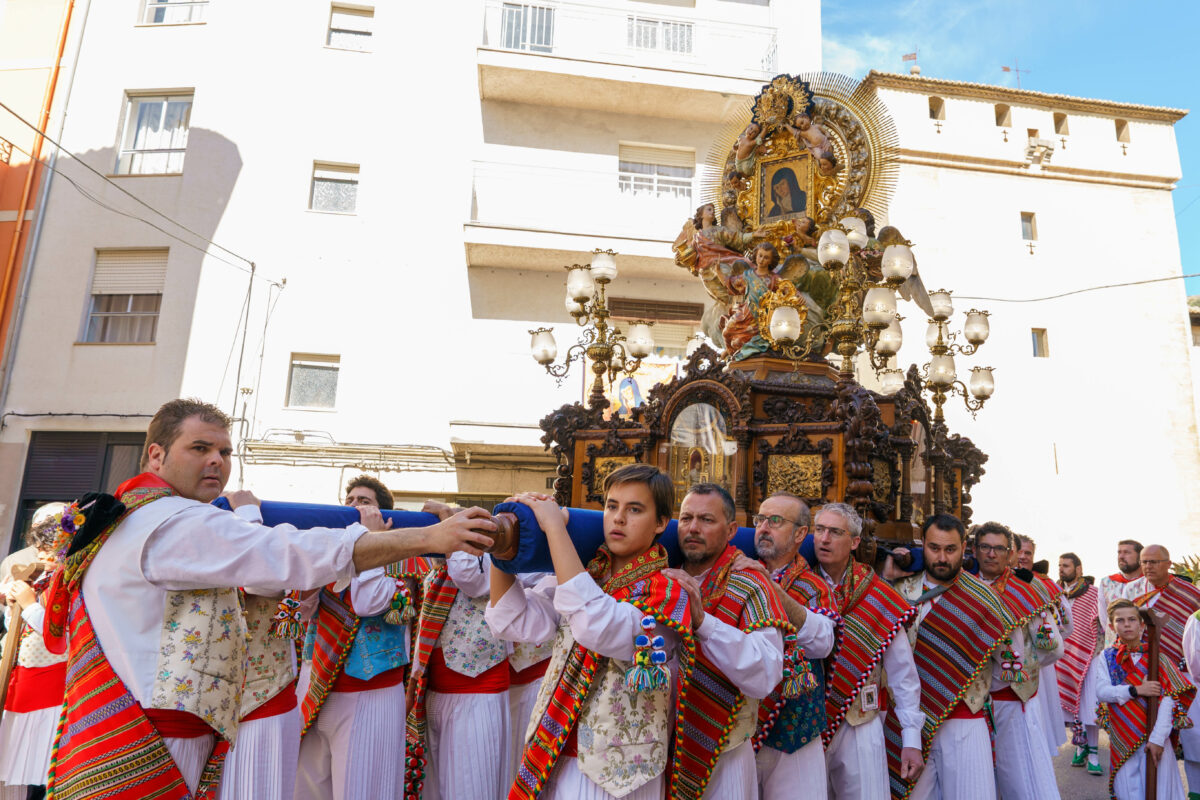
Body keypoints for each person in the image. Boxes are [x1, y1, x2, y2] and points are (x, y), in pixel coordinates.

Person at [38, 398, 495, 800]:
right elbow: (284, 565)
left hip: (324, 696)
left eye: (224, 452)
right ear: (155, 455)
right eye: (200, 449)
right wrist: (430, 536)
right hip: (155, 734)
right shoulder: (172, 522)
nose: (217, 461)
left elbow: (342, 599)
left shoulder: (138, 515)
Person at [485, 464, 694, 800]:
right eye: (611, 506)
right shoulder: (590, 574)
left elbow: (596, 625)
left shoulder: (668, 592)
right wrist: (501, 547)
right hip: (555, 754)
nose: (618, 518)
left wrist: (555, 529)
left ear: (660, 524)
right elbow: (513, 621)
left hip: (620, 779)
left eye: (634, 509)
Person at [659, 484, 789, 798]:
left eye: (706, 519)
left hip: (724, 754)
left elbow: (766, 673)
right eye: (686, 518)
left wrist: (703, 623)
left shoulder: (750, 582)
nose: (692, 528)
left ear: (731, 530)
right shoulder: (662, 577)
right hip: (662, 752)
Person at [294, 475, 415, 800]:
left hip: (370, 697)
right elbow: (294, 616)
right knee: (306, 791)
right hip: (314, 689)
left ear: (383, 519)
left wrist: (374, 542)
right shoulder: (331, 555)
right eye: (349, 501)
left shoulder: (404, 567)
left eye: (364, 502)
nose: (353, 507)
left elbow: (368, 601)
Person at [886, 514, 1019, 800]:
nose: (942, 557)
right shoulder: (899, 592)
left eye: (950, 549)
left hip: (965, 720)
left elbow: (1009, 664)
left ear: (965, 549)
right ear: (923, 545)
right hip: (908, 722)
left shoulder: (985, 598)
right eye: (934, 548)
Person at [812, 502, 923, 799]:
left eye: (835, 532)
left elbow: (903, 672)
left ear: (855, 542)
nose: (824, 539)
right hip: (806, 724)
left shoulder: (878, 595)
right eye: (819, 529)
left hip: (859, 724)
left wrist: (911, 738)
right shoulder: (798, 584)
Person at [405, 503, 515, 800]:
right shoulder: (440, 566)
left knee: (471, 788)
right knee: (436, 791)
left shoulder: (499, 557)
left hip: (476, 693)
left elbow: (471, 580)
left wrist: (452, 526)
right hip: (437, 692)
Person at [736, 492, 837, 800]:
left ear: (800, 534)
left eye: (775, 521)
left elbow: (823, 643)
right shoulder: (738, 574)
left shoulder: (813, 585)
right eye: (760, 520)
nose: (763, 527)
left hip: (795, 735)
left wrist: (771, 588)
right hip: (743, 727)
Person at [973, 522, 1062, 800]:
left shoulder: (1026, 591)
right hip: (969, 705)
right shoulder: (961, 585)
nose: (991, 554)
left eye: (999, 548)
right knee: (976, 779)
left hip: (1013, 699)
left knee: (1019, 778)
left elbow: (1053, 649)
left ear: (1010, 553)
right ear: (974, 550)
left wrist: (1024, 667)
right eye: (985, 547)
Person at [1094, 598, 1194, 800]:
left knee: (1160, 791)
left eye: (1132, 619)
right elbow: (1102, 691)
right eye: (1120, 621)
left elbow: (1170, 701)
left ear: (1141, 625)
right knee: (1127, 791)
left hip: (1155, 737)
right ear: (1112, 626)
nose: (1127, 624)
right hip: (1123, 736)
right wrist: (1136, 690)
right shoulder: (1106, 658)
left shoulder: (1158, 658)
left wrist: (1157, 739)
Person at [0, 514, 64, 797]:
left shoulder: (68, 583)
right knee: (21, 774)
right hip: (23, 684)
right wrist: (14, 606)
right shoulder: (43, 580)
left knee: (43, 772)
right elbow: (19, 629)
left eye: (46, 548)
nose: (39, 554)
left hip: (50, 688)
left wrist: (27, 604)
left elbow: (59, 635)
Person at [1130, 544, 1200, 793]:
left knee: (1192, 741)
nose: (1148, 566)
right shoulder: (1133, 590)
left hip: (1181, 675)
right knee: (1143, 735)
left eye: (1154, 562)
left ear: (1168, 564)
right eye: (1144, 562)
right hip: (1141, 674)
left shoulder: (1191, 594)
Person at [1016, 535, 1070, 762]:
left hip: (1040, 664)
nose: (1022, 557)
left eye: (1028, 553)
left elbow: (1067, 624)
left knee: (1039, 722)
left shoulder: (1045, 585)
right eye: (1019, 552)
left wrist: (1039, 653)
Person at [1057, 551, 1104, 776]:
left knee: (1089, 708)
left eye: (1066, 565)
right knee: (1072, 706)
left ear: (1078, 569)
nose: (1061, 569)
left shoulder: (1094, 593)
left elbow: (1105, 622)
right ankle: (1080, 746)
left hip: (1089, 656)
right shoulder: (1055, 594)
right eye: (1060, 565)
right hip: (1063, 658)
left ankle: (1093, 754)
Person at [1099, 540, 1143, 644]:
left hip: (1142, 647)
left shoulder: (1148, 583)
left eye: (1127, 552)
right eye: (1119, 552)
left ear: (1140, 557)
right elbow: (1104, 618)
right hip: (1113, 646)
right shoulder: (1107, 582)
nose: (1121, 556)